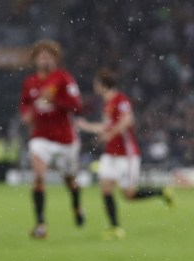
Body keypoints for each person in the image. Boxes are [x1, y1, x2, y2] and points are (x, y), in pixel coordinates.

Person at [75, 68, 175, 240]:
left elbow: (127, 120)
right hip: (110, 154)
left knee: (128, 195)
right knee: (105, 187)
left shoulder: (120, 99)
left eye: (96, 84)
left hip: (127, 153)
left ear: (101, 85)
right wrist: (86, 127)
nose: (94, 87)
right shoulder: (107, 104)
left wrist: (111, 133)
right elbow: (106, 127)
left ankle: (161, 192)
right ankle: (115, 228)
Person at [19, 40, 84, 239]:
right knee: (38, 177)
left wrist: (54, 100)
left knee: (70, 180)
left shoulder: (64, 78)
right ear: (35, 60)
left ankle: (76, 206)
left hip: (65, 138)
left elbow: (77, 106)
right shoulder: (29, 83)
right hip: (41, 137)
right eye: (41, 56)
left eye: (48, 56)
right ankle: (40, 224)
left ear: (55, 59)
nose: (44, 60)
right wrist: (27, 115)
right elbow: (25, 107)